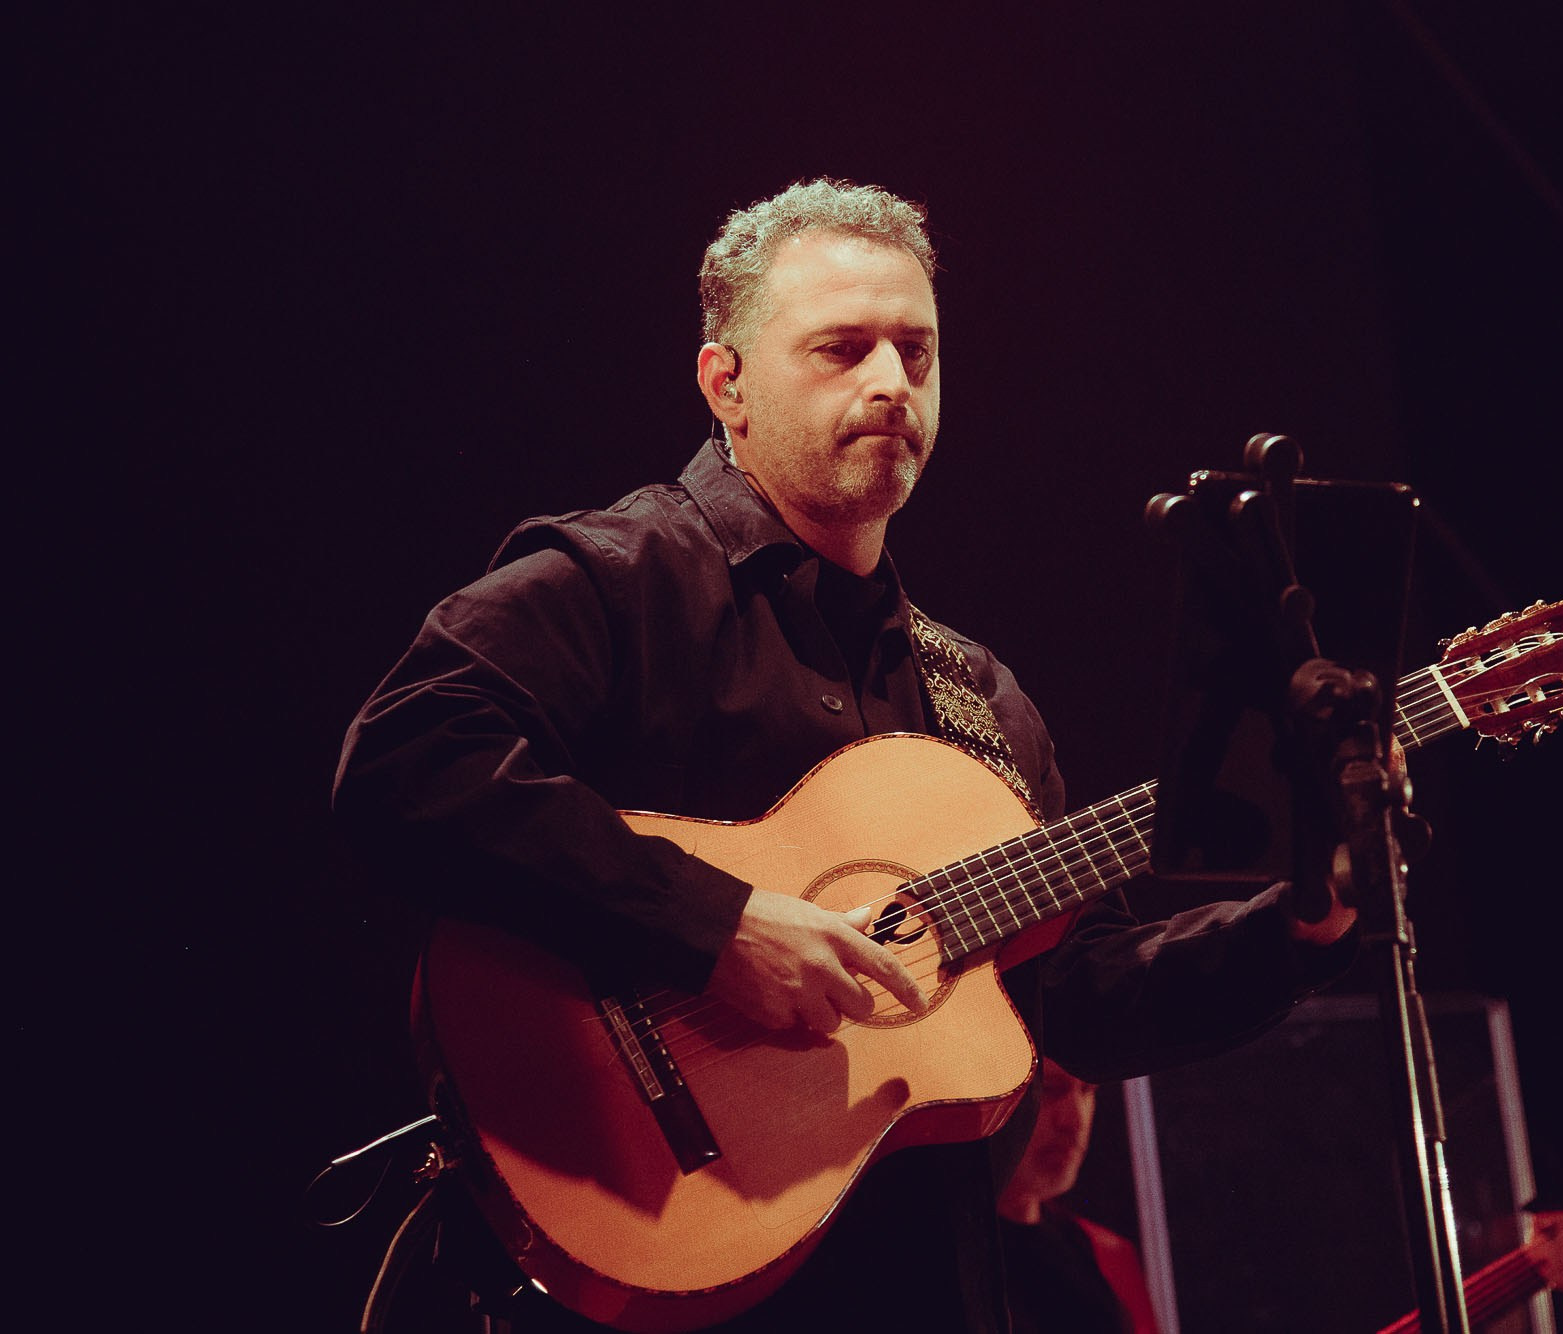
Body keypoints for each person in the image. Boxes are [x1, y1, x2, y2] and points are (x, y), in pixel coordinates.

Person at [332, 177, 1361, 1334]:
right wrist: (711, 923)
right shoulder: (624, 578)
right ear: (725, 382)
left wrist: (1296, 928)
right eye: (842, 348)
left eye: (915, 352)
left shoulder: (980, 695)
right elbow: (410, 755)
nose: (888, 383)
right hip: (655, 1249)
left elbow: (1079, 1000)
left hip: (927, 1290)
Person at [999, 1060, 1158, 1334]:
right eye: (1050, 1089)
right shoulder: (934, 1256)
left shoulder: (1109, 1255)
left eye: (1088, 1091)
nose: (1075, 1120)